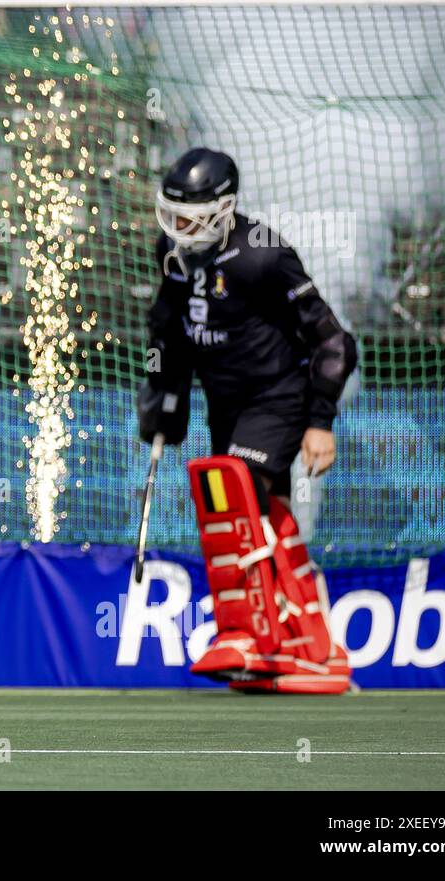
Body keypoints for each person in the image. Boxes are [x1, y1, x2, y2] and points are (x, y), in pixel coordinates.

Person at [138, 147, 357, 694]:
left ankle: (250, 634)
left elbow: (333, 341)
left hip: (277, 398)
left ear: (223, 208)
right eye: (173, 213)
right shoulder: (171, 251)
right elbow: (168, 332)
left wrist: (320, 421)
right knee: (262, 513)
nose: (178, 227)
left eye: (190, 216)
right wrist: (164, 401)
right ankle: (306, 645)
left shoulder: (264, 254)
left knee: (232, 501)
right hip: (224, 404)